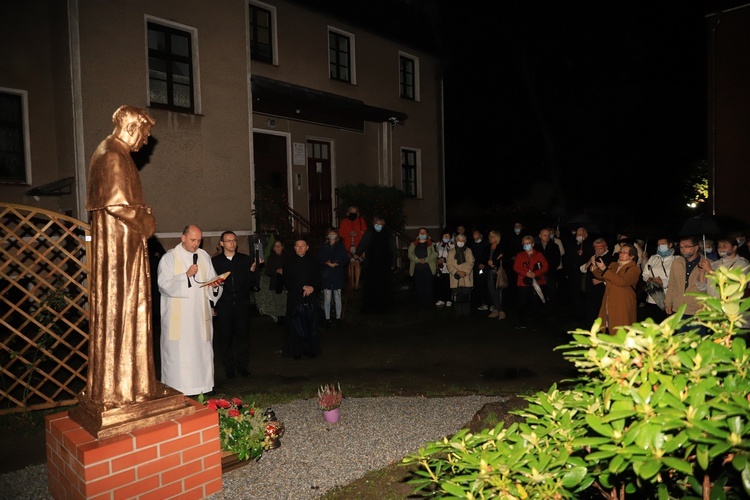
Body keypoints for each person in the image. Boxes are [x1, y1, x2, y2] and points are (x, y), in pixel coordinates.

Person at [82, 105, 158, 407]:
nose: (146, 140)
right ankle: (124, 390)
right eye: (145, 133)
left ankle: (129, 384)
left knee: (126, 313)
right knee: (125, 310)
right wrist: (147, 222)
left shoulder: (112, 153)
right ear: (131, 127)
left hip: (123, 246)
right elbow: (118, 206)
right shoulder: (112, 155)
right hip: (121, 252)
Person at [158, 224, 223, 395]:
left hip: (199, 316)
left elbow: (209, 282)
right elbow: (163, 285)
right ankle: (177, 389)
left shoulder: (203, 256)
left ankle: (203, 387)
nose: (196, 244)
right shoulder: (169, 258)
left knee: (201, 352)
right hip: (179, 319)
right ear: (183, 238)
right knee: (180, 356)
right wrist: (185, 275)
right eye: (193, 240)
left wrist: (215, 285)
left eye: (199, 241)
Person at [211, 231, 256, 380]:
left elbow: (252, 283)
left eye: (234, 240)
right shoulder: (215, 262)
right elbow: (211, 285)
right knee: (225, 338)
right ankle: (229, 368)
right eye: (228, 240)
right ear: (222, 243)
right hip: (224, 305)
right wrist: (212, 305)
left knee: (243, 337)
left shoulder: (244, 260)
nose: (232, 243)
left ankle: (243, 366)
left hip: (242, 304)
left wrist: (252, 272)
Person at [283, 238, 322, 358]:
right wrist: (302, 287)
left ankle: (311, 350)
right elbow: (287, 279)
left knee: (311, 323)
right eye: (297, 246)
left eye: (303, 246)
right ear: (294, 248)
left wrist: (312, 288)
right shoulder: (288, 261)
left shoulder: (314, 261)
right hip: (295, 296)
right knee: (295, 324)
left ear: (307, 247)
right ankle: (296, 351)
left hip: (311, 296)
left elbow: (318, 277)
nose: (300, 248)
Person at [591, 243, 641, 333]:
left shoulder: (634, 269)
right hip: (609, 301)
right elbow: (602, 276)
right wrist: (595, 267)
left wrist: (604, 269)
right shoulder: (614, 265)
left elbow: (621, 281)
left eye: (625, 252)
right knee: (608, 327)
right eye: (620, 251)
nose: (621, 254)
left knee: (621, 328)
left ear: (632, 256)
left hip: (622, 304)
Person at [664, 236, 710, 326]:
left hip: (697, 310)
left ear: (696, 248)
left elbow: (708, 289)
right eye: (681, 247)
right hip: (678, 308)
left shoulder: (707, 264)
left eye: (687, 246)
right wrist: (668, 303)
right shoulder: (677, 262)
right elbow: (672, 284)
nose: (683, 249)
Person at [356, 216, 397, 313]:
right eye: (376, 224)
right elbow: (363, 244)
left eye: (380, 224)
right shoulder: (369, 233)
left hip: (384, 264)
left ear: (383, 225)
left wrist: (393, 263)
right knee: (371, 286)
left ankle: (385, 307)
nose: (378, 226)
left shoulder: (388, 234)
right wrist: (357, 253)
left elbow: (393, 249)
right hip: (371, 264)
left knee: (384, 286)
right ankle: (371, 307)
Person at [513, 235, 549, 329]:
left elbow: (545, 267)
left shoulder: (539, 255)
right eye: (524, 244)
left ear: (532, 244)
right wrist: (526, 273)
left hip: (537, 282)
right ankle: (522, 322)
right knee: (522, 303)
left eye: (528, 243)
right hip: (522, 283)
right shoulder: (520, 255)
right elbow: (516, 267)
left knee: (535, 304)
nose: (526, 245)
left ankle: (534, 323)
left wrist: (535, 274)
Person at [317, 228, 349, 326]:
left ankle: (338, 318)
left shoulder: (340, 246)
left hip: (337, 274)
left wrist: (337, 264)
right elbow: (318, 259)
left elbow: (346, 260)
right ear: (327, 235)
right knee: (327, 298)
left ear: (337, 236)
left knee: (337, 297)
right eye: (330, 234)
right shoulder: (324, 246)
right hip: (327, 275)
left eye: (333, 234)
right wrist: (326, 262)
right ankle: (327, 318)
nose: (332, 236)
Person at [641, 237, 676, 323]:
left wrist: (663, 282)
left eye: (663, 244)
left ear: (670, 245)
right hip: (652, 296)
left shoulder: (676, 259)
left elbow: (677, 278)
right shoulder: (653, 258)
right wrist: (650, 280)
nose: (661, 246)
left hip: (667, 297)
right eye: (659, 245)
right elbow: (645, 274)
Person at [582, 238, 613, 327]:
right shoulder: (592, 256)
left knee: (600, 309)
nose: (598, 251)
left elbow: (613, 274)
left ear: (605, 247)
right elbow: (582, 269)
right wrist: (589, 262)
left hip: (602, 288)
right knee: (590, 310)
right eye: (596, 249)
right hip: (590, 288)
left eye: (600, 249)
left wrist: (601, 280)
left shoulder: (610, 258)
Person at [408, 227, 437, 310]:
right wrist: (417, 260)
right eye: (421, 232)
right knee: (419, 288)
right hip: (417, 269)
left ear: (427, 234)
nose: (422, 234)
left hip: (428, 268)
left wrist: (426, 260)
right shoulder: (413, 244)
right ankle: (421, 305)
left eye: (424, 232)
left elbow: (435, 253)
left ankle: (429, 305)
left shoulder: (432, 244)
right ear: (418, 234)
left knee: (429, 287)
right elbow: (410, 254)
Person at [339, 206, 367, 291]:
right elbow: (341, 234)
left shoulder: (361, 220)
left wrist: (357, 234)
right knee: (350, 265)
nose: (353, 214)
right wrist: (349, 234)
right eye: (351, 212)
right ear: (348, 213)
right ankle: (351, 282)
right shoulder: (344, 221)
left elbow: (365, 231)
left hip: (358, 246)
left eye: (355, 213)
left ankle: (357, 283)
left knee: (358, 264)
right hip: (348, 246)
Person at [447, 233, 475, 316]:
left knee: (466, 296)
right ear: (456, 241)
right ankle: (458, 313)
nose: (461, 242)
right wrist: (457, 272)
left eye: (463, 241)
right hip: (455, 278)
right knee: (457, 296)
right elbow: (449, 264)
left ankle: (466, 313)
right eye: (459, 240)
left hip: (466, 277)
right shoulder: (451, 252)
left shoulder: (468, 250)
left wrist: (465, 272)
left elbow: (471, 262)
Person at [535, 227, 561, 305]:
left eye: (548, 235)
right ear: (540, 236)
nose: (547, 237)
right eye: (545, 235)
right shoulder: (536, 247)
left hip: (551, 273)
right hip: (539, 273)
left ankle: (553, 308)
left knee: (552, 292)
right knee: (540, 292)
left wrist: (549, 269)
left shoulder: (554, 246)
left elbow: (557, 260)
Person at [265, 240, 287, 325]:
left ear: (282, 247)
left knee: (285, 302)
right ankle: (279, 318)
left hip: (285, 283)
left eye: (279, 245)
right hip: (275, 283)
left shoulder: (287, 257)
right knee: (277, 302)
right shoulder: (271, 258)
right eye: (276, 246)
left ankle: (285, 318)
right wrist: (276, 271)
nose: (278, 247)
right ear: (274, 248)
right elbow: (267, 271)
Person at [485, 230, 506, 319]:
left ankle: (499, 310)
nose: (490, 238)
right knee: (492, 291)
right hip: (489, 271)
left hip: (497, 271)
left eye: (492, 236)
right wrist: (487, 262)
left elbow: (503, 259)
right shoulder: (487, 247)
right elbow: (483, 258)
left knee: (497, 291)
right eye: (489, 236)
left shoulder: (501, 247)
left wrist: (494, 263)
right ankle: (497, 309)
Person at [469, 230, 490, 310]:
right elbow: (471, 257)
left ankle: (488, 303)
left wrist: (483, 263)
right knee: (478, 286)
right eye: (473, 234)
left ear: (481, 235)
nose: (475, 235)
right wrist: (477, 264)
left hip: (485, 267)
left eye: (476, 233)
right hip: (475, 268)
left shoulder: (485, 244)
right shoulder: (472, 245)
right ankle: (480, 302)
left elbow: (487, 255)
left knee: (485, 285)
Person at [434, 230, 454, 307]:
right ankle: (441, 299)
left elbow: (453, 257)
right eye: (445, 236)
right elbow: (434, 254)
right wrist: (437, 260)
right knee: (439, 284)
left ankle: (449, 299)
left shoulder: (452, 246)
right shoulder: (437, 245)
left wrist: (444, 260)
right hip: (439, 268)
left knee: (448, 284)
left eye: (448, 236)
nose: (446, 237)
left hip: (448, 268)